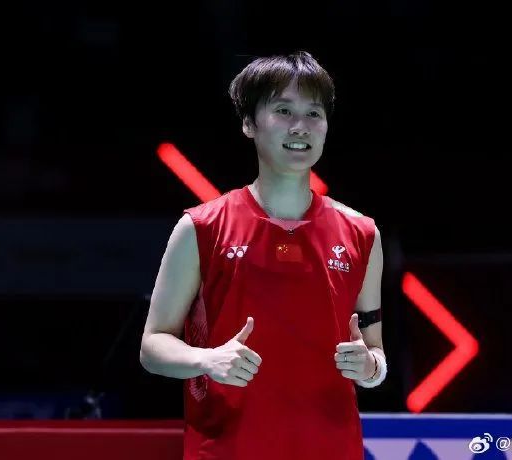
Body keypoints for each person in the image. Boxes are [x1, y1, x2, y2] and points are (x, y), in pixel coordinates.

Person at [139, 51, 386, 460]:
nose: (300, 126)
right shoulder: (201, 227)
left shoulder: (362, 234)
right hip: (226, 449)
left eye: (314, 113)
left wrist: (371, 368)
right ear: (249, 124)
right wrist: (208, 359)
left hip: (332, 448)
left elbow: (374, 351)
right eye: (283, 110)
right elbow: (152, 347)